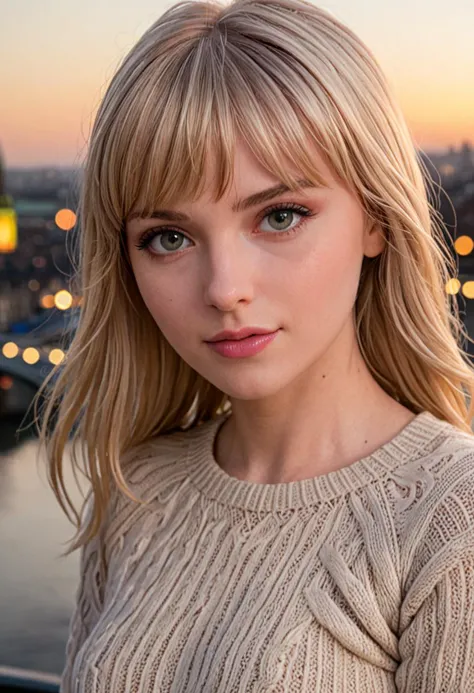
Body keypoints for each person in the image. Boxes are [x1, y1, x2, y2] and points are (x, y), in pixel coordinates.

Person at [35, 0, 474, 690]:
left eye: (279, 215)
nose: (225, 288)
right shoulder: (136, 489)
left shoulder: (453, 519)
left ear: (376, 220)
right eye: (168, 237)